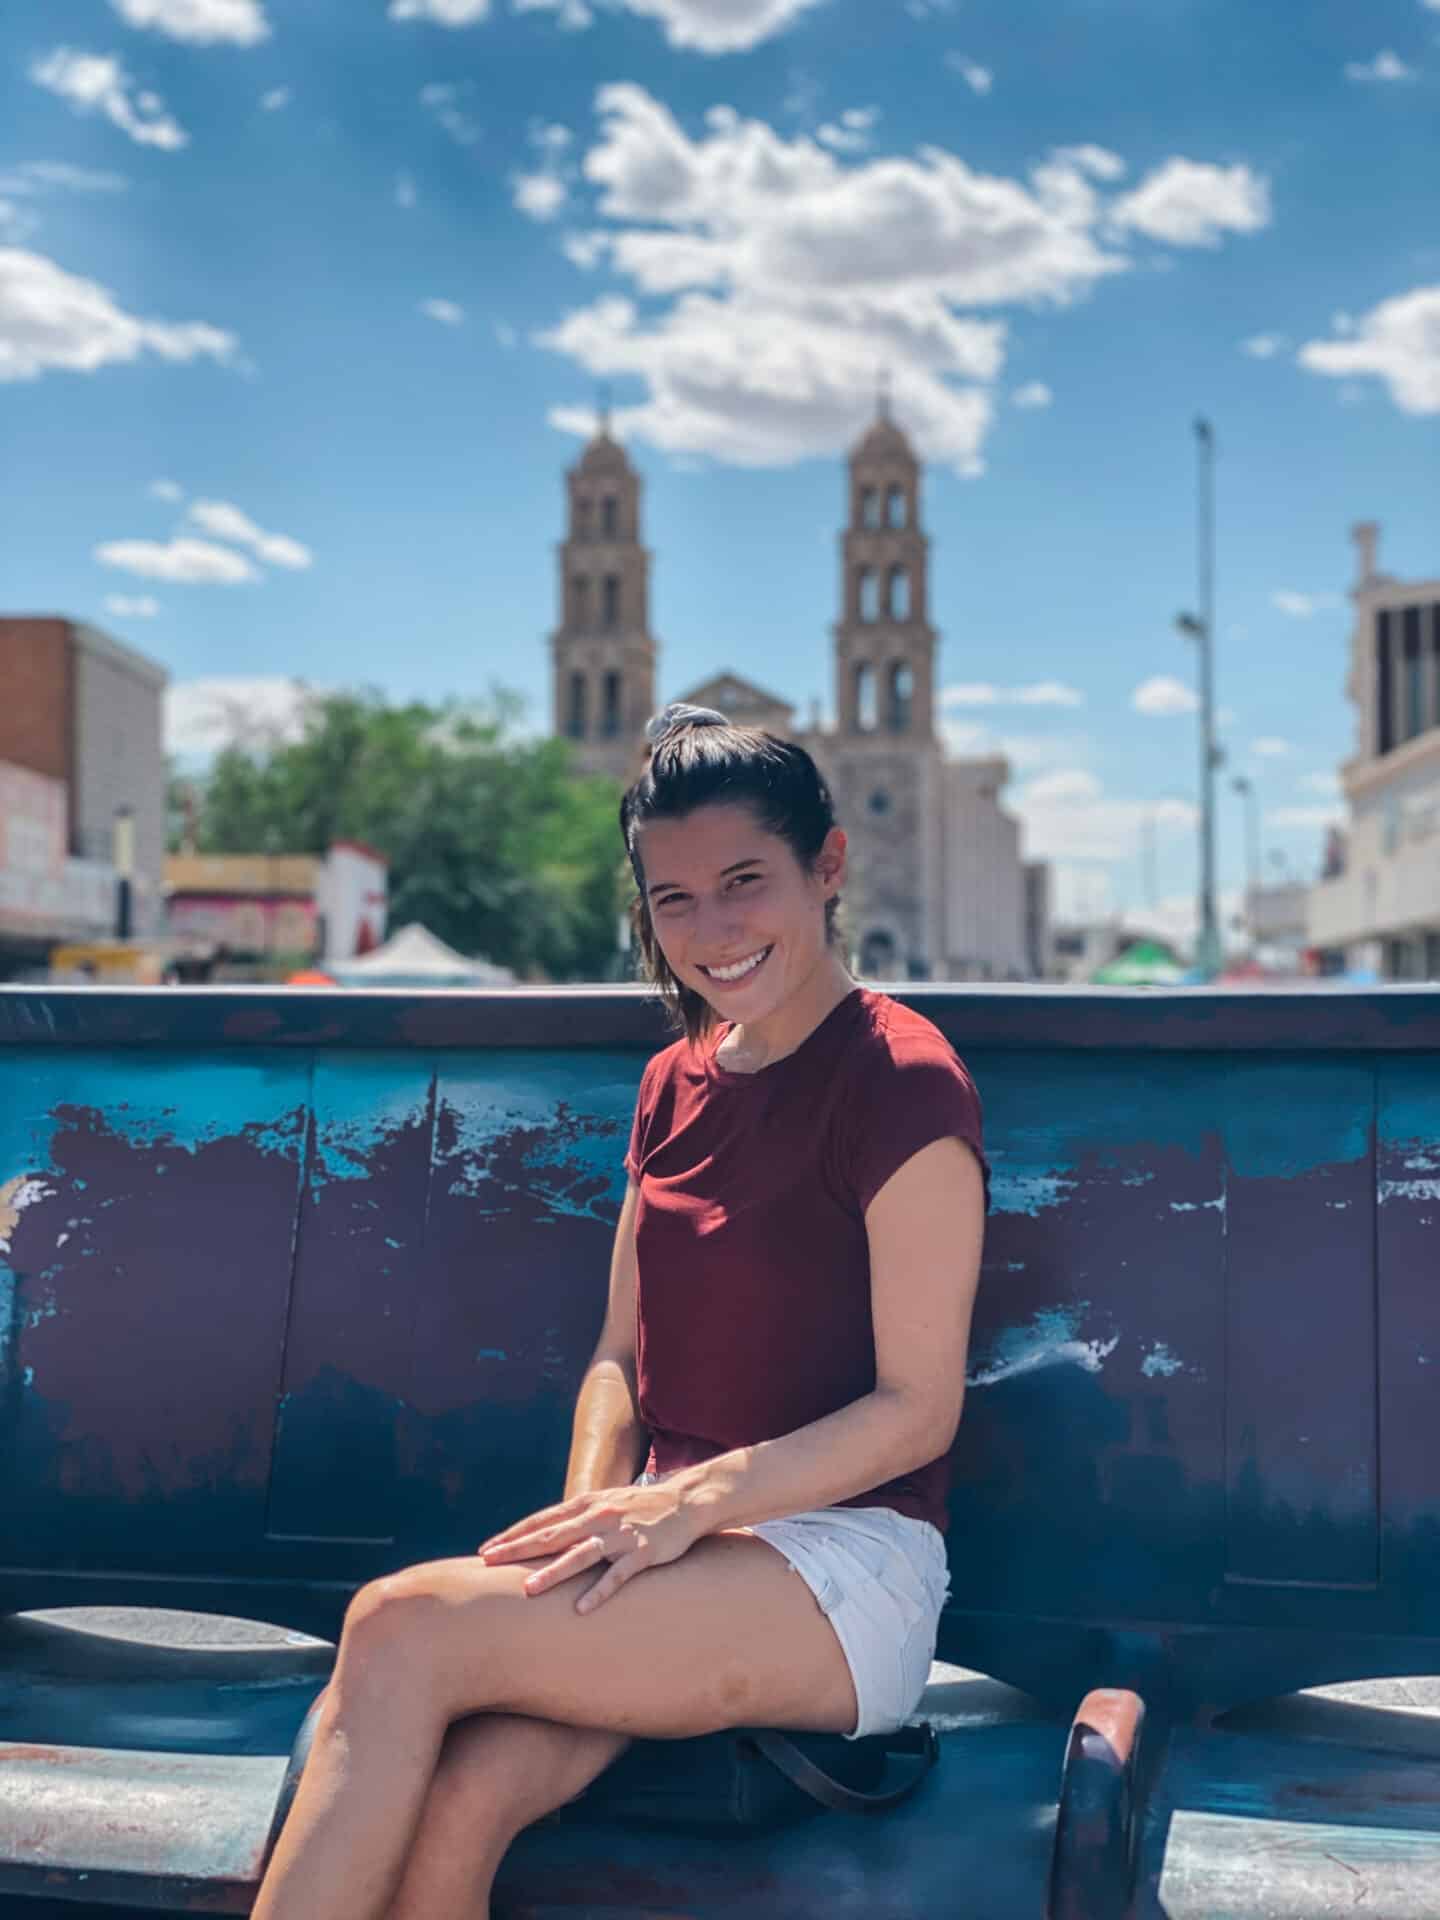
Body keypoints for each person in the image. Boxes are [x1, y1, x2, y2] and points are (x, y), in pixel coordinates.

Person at [251, 704, 989, 1920]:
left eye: (745, 881)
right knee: (464, 1796)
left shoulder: (899, 1079)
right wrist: (597, 1510)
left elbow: (918, 1411)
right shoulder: (672, 1081)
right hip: (665, 1546)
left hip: (842, 1564)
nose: (713, 929)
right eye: (675, 899)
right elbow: (616, 1356)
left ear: (830, 867)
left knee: (395, 1628)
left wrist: (676, 1508)